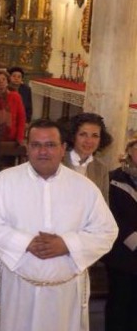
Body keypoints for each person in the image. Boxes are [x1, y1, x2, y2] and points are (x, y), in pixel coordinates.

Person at [0, 119, 118, 331]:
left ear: (63, 149)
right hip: (18, 289)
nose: (43, 151)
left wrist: (67, 244)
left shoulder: (84, 187)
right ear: (27, 147)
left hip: (64, 294)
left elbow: (106, 231)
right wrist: (26, 243)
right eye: (36, 145)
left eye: (51, 145)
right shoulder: (5, 181)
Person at [103, 135, 137, 330]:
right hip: (122, 254)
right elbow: (112, 213)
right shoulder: (114, 179)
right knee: (120, 303)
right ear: (130, 152)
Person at [63, 112, 113, 202]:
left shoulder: (101, 169)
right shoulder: (58, 161)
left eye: (95, 136)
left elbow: (103, 206)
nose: (89, 141)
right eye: (83, 134)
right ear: (73, 136)